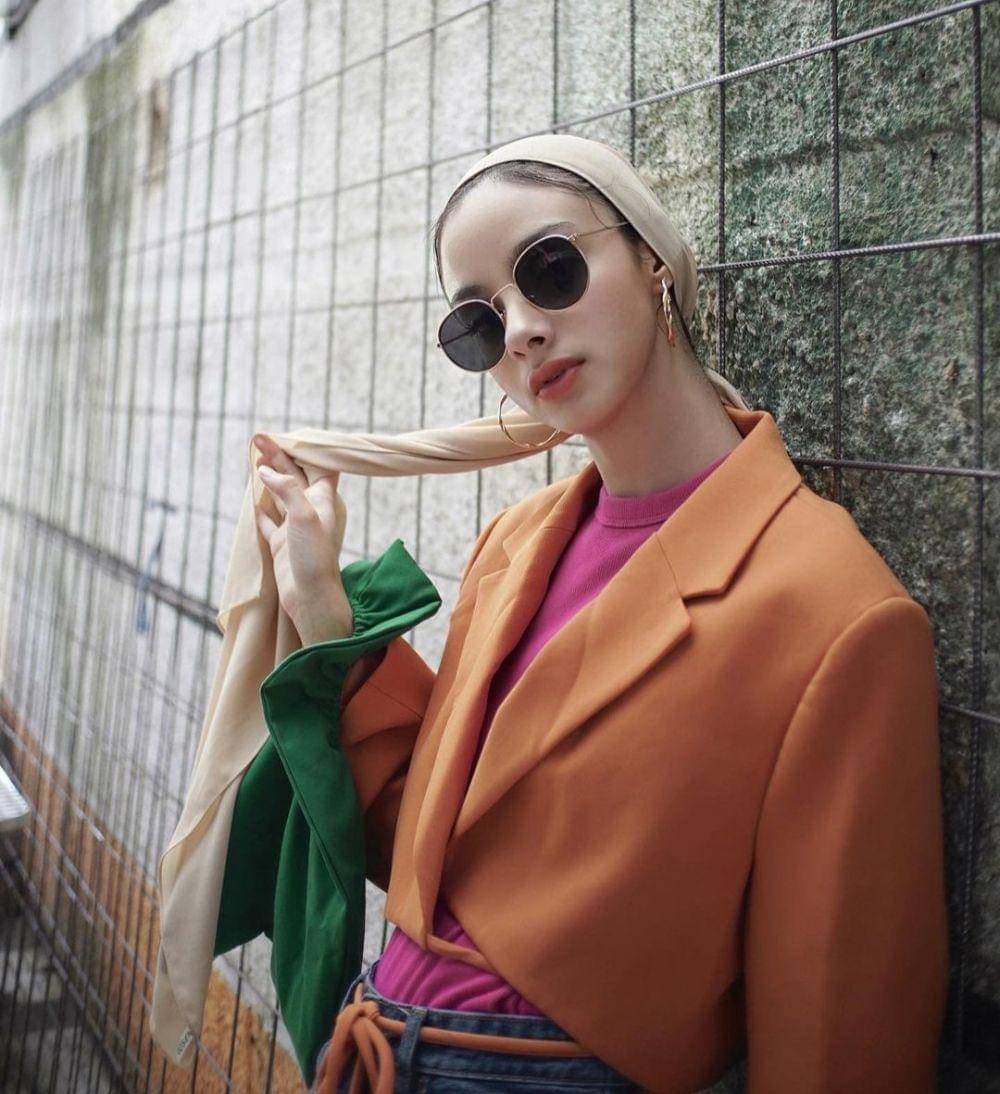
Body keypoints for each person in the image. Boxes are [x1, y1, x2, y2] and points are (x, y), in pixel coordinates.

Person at [154, 134, 948, 1094]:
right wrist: (321, 606)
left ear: (654, 262)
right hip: (371, 1052)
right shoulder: (514, 546)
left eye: (552, 268)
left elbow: (838, 1029)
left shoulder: (834, 611)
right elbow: (440, 860)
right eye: (478, 323)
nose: (523, 330)